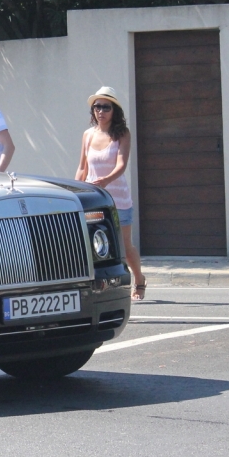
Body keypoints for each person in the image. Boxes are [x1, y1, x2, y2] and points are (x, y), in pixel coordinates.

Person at [76, 86, 145, 300]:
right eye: (97, 107)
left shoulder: (122, 133)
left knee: (124, 244)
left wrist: (105, 180)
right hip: (93, 198)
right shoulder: (88, 135)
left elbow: (121, 165)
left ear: (114, 110)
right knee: (89, 243)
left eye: (106, 107)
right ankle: (94, 286)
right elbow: (82, 167)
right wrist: (75, 191)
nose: (100, 111)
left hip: (117, 199)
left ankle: (139, 279)